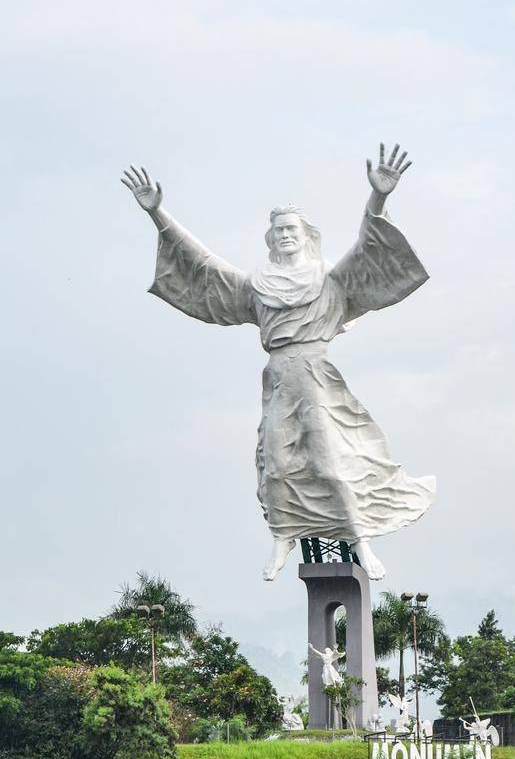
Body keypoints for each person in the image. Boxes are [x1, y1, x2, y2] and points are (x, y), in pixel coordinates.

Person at [122, 143, 436, 581]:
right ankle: (281, 538)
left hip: (315, 375)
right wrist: (158, 214)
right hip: (278, 377)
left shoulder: (328, 278)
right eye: (278, 230)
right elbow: (204, 266)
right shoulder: (257, 283)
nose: (285, 235)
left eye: (292, 228)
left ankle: (361, 541)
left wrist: (379, 197)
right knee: (276, 463)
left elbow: (368, 246)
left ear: (305, 235)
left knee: (330, 463)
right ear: (271, 239)